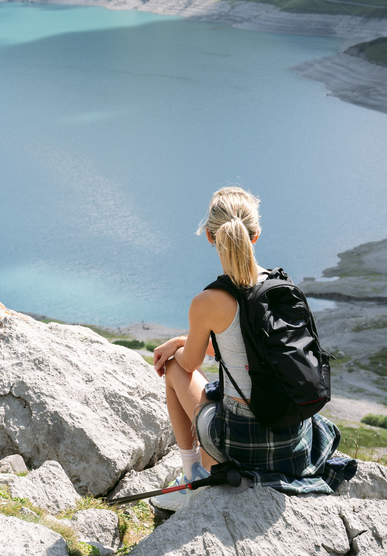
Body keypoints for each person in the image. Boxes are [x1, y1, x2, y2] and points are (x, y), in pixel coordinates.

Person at [150, 186, 351, 511]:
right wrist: (182, 339)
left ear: (210, 237)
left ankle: (192, 479)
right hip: (293, 440)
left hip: (242, 442)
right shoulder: (281, 287)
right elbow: (251, 350)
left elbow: (190, 364)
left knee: (172, 366)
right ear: (255, 235)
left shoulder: (208, 302)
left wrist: (178, 346)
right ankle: (197, 474)